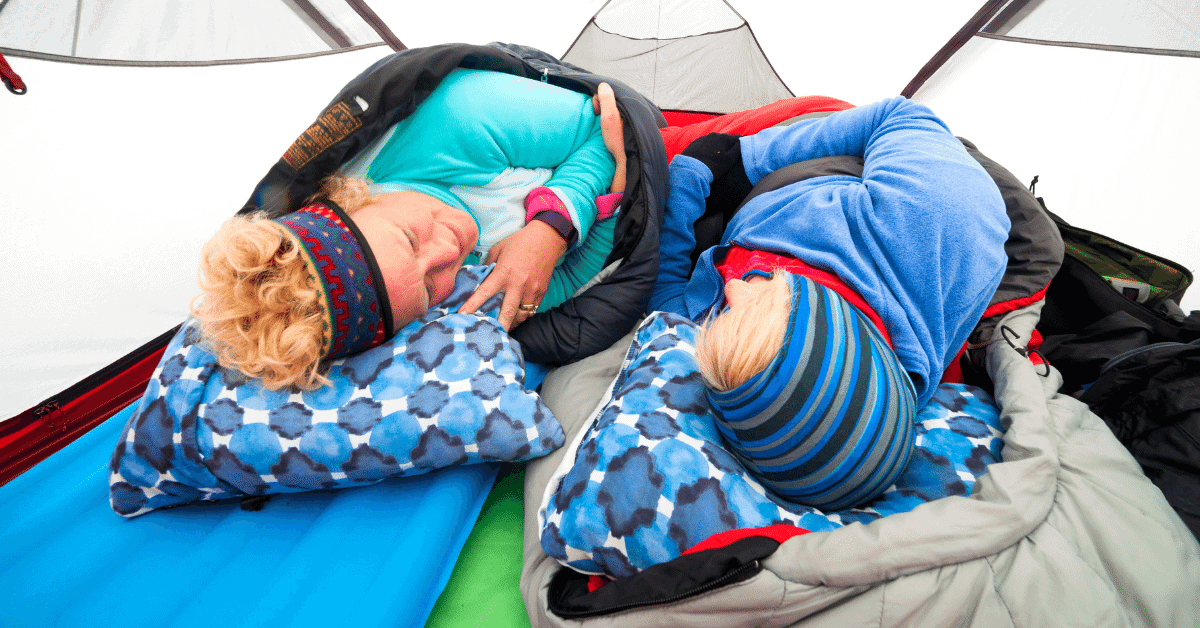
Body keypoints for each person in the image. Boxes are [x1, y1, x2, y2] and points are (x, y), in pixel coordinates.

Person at [648, 97, 1010, 511]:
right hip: (831, 149)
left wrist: (689, 181)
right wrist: (744, 158)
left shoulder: (735, 353)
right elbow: (900, 114)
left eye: (727, 317)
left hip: (736, 202)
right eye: (763, 300)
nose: (730, 292)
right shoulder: (934, 216)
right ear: (826, 318)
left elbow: (666, 307)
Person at [192, 69, 627, 391]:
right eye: (425, 289)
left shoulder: (460, 117)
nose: (446, 255)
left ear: (353, 200)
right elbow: (571, 279)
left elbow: (601, 125)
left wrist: (551, 229)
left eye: (409, 238)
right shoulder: (458, 296)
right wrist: (614, 193)